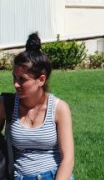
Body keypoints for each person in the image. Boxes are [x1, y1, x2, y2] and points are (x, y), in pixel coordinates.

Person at [0, 33, 74, 180]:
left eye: (22, 79)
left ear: (41, 80)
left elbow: (68, 159)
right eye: (14, 77)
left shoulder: (59, 109)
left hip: (54, 176)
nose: (16, 84)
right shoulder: (6, 104)